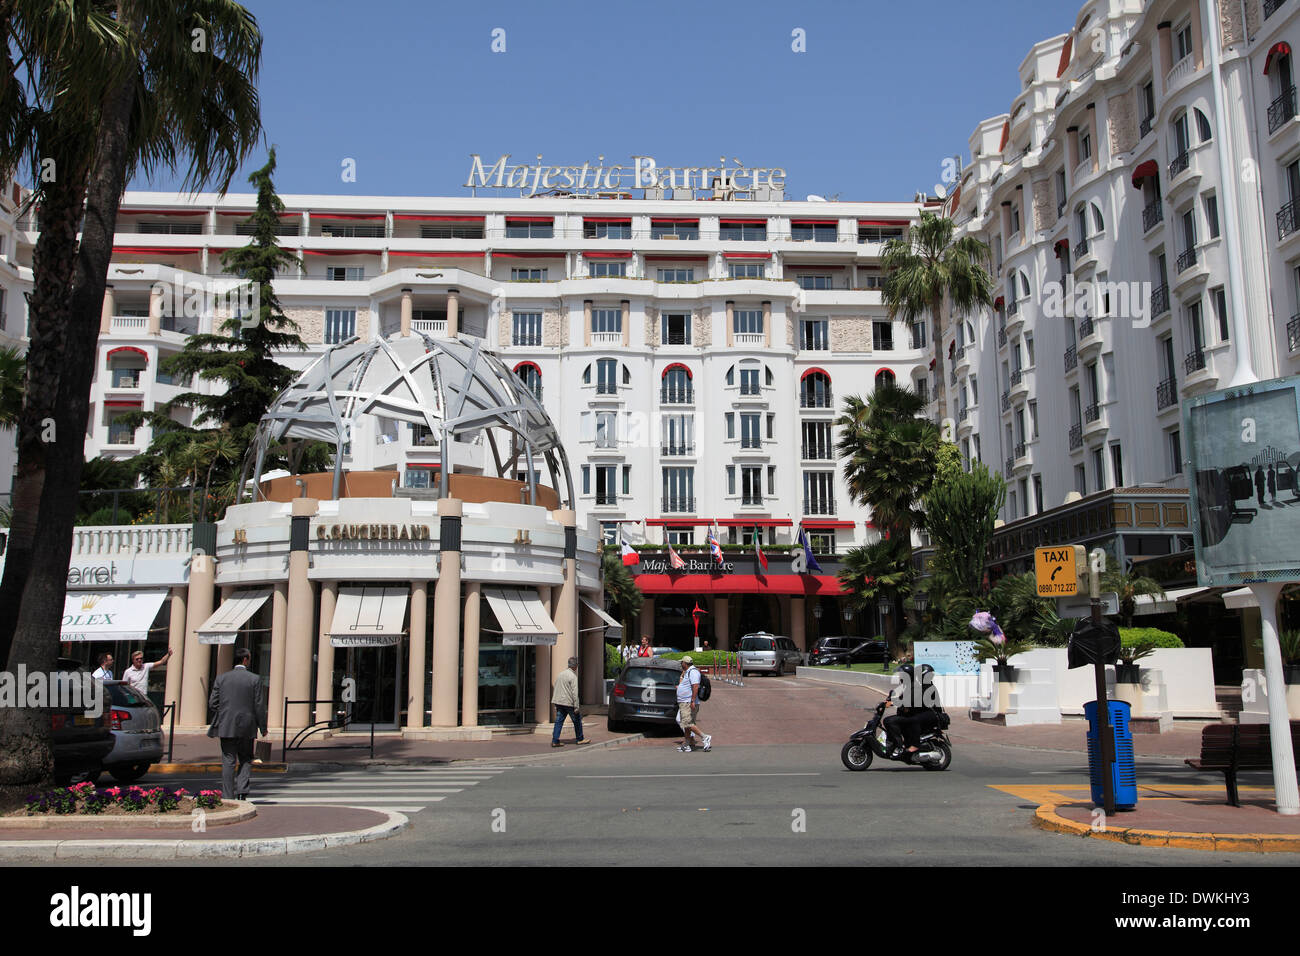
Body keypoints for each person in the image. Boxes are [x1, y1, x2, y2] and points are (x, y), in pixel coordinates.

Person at [207, 647, 267, 801]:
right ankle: (242, 792)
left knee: (228, 760)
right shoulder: (254, 679)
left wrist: (225, 712)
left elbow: (212, 703)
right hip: (247, 725)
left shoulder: (221, 678)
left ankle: (227, 796)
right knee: (246, 758)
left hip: (226, 725)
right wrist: (263, 726)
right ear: (245, 659)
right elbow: (259, 705)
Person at [883, 664, 940, 756]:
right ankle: (900, 743)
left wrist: (896, 703)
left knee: (914, 720)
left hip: (932, 713)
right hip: (924, 712)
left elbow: (912, 701)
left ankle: (914, 745)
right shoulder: (915, 686)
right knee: (900, 719)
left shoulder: (927, 687)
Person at [551, 656, 589, 748]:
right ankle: (580, 738)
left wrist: (555, 701)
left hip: (559, 701)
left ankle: (555, 740)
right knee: (577, 720)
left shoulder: (561, 674)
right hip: (568, 702)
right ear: (575, 666)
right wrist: (576, 706)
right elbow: (575, 692)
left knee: (559, 721)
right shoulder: (573, 676)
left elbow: (556, 687)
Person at [675, 655, 711, 752]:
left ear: (685, 663)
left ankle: (705, 737)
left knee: (688, 723)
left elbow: (695, 686)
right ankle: (687, 744)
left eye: (681, 662)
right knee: (686, 724)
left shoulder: (693, 672)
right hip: (684, 701)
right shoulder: (688, 672)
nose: (681, 664)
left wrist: (692, 700)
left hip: (688, 702)